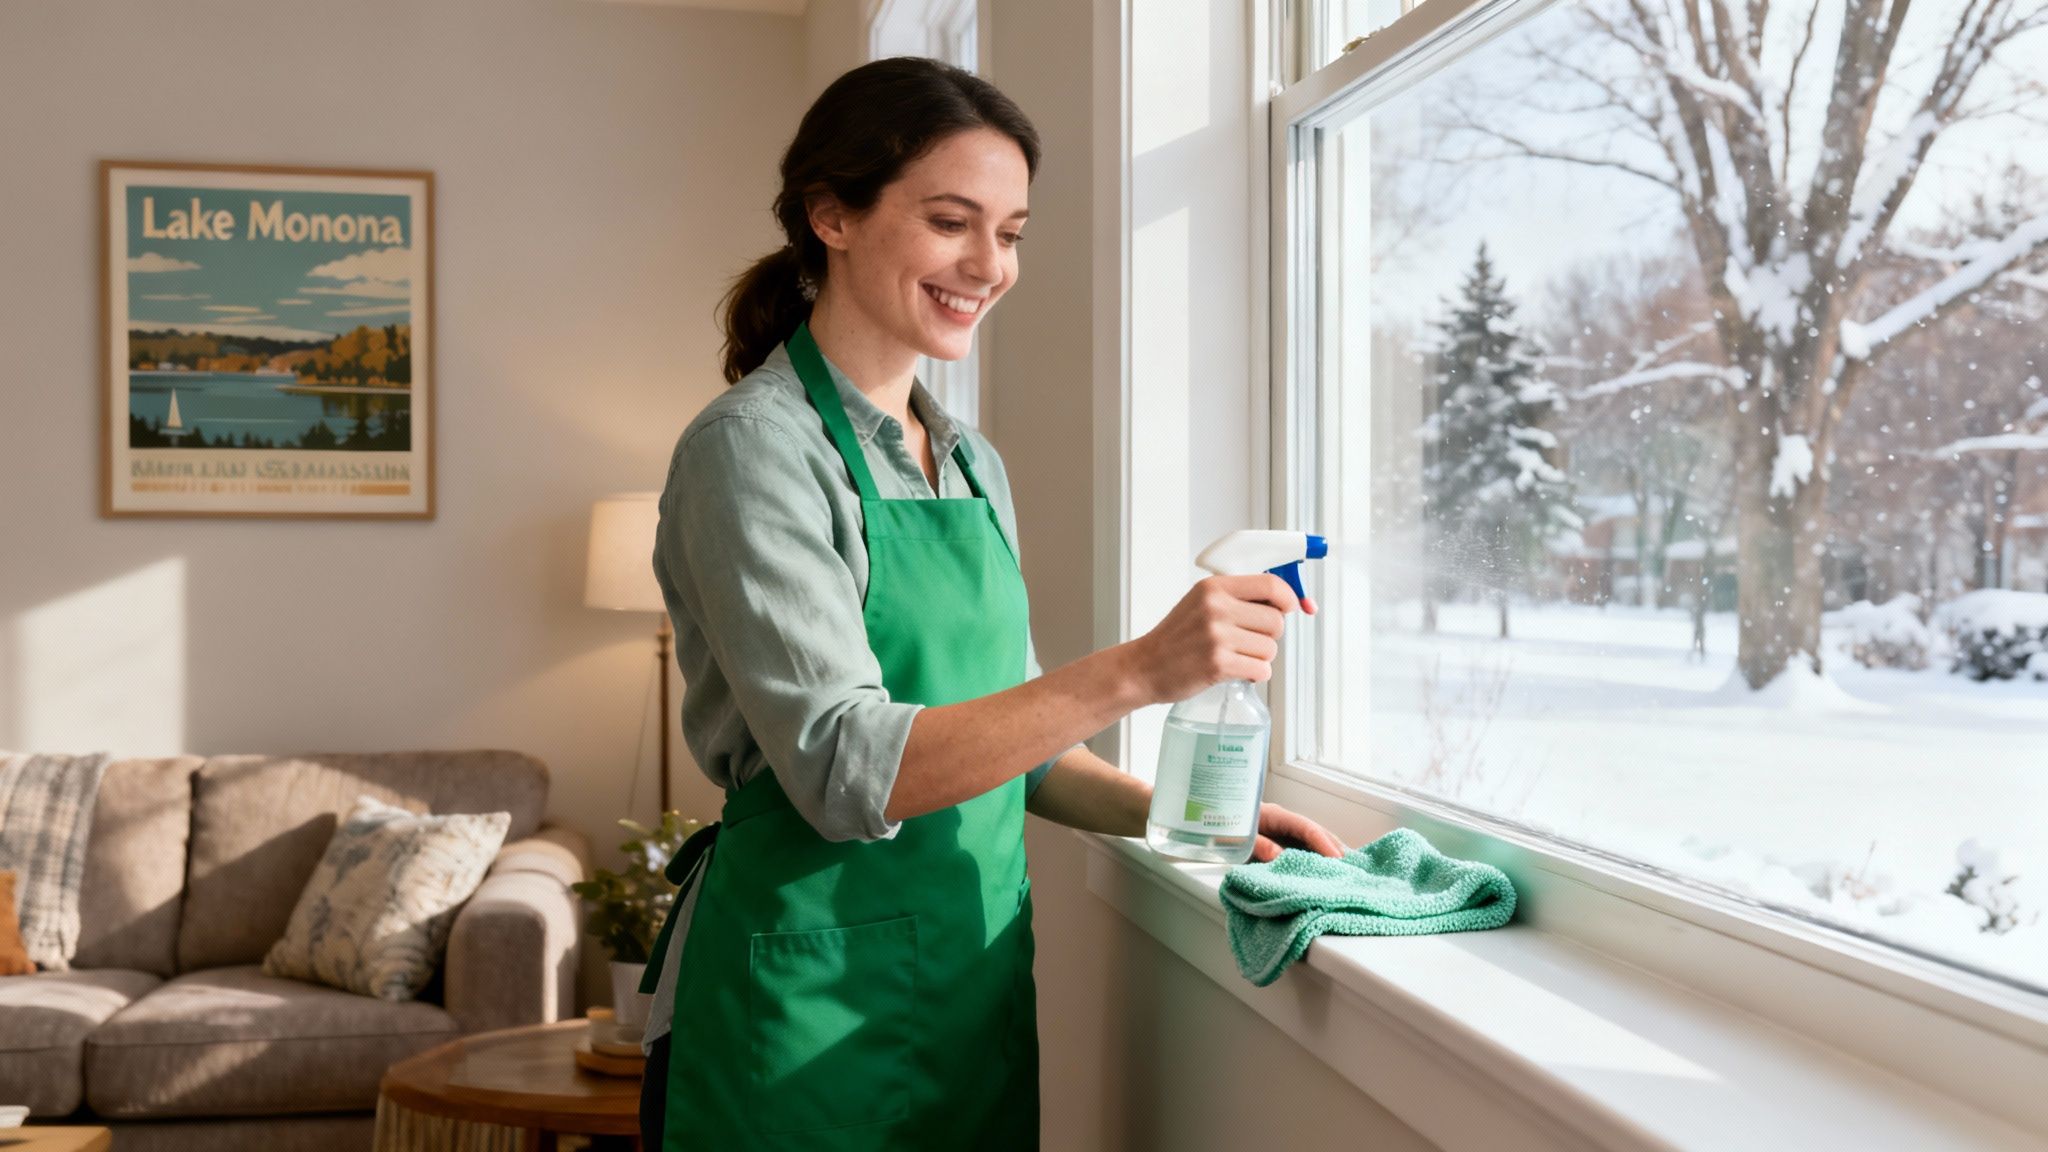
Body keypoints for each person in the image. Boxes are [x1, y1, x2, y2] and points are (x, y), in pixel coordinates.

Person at [640, 56, 1344, 1151]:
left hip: (968, 989)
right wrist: (1138, 670)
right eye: (950, 221)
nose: (988, 264)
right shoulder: (753, 453)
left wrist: (1183, 816)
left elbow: (1015, 738)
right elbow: (842, 769)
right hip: (805, 1003)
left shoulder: (968, 463)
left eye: (1010, 232)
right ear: (831, 216)